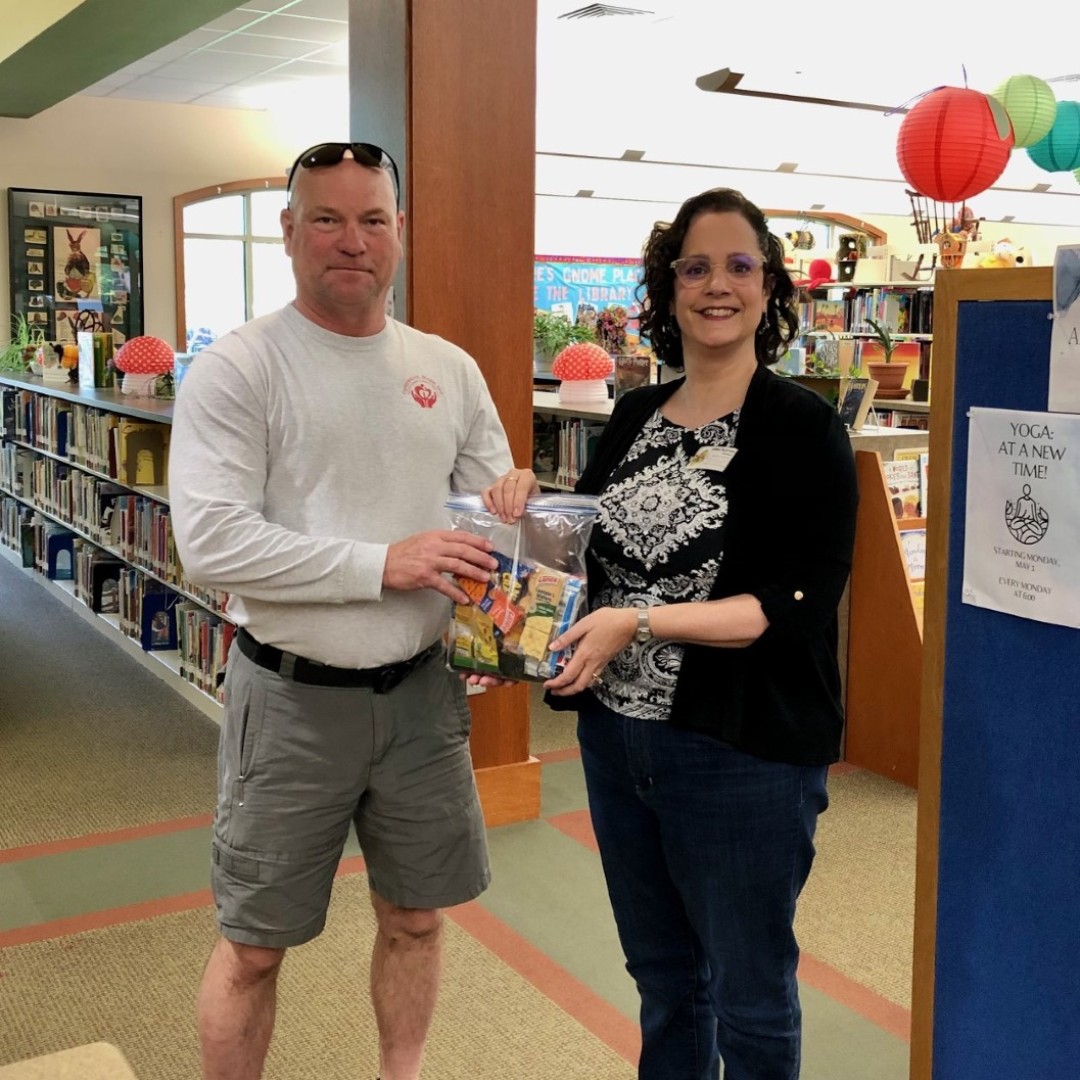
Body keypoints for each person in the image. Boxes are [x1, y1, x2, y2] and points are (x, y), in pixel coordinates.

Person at [484, 187, 859, 1079]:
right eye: (695, 267)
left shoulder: (804, 429)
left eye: (738, 266)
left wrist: (638, 622)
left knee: (750, 992)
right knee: (662, 978)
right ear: (669, 286)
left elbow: (791, 604)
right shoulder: (631, 417)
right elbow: (594, 564)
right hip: (620, 744)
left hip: (742, 753)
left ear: (769, 289)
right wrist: (529, 510)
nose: (716, 285)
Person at [168, 141, 514, 1080]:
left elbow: (491, 519)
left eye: (372, 219)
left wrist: (503, 602)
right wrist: (383, 563)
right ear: (289, 233)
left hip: (421, 701)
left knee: (415, 918)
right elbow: (211, 546)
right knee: (253, 945)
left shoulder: (447, 367)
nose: (350, 240)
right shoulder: (240, 369)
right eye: (327, 218)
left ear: (401, 232)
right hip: (289, 703)